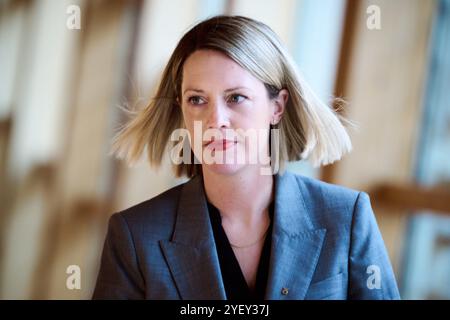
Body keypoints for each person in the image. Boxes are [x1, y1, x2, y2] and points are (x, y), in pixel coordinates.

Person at [92, 15, 400, 300]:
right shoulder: (135, 236)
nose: (216, 120)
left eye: (235, 97)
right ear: (181, 110)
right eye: (197, 100)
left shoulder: (346, 219)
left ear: (277, 107)